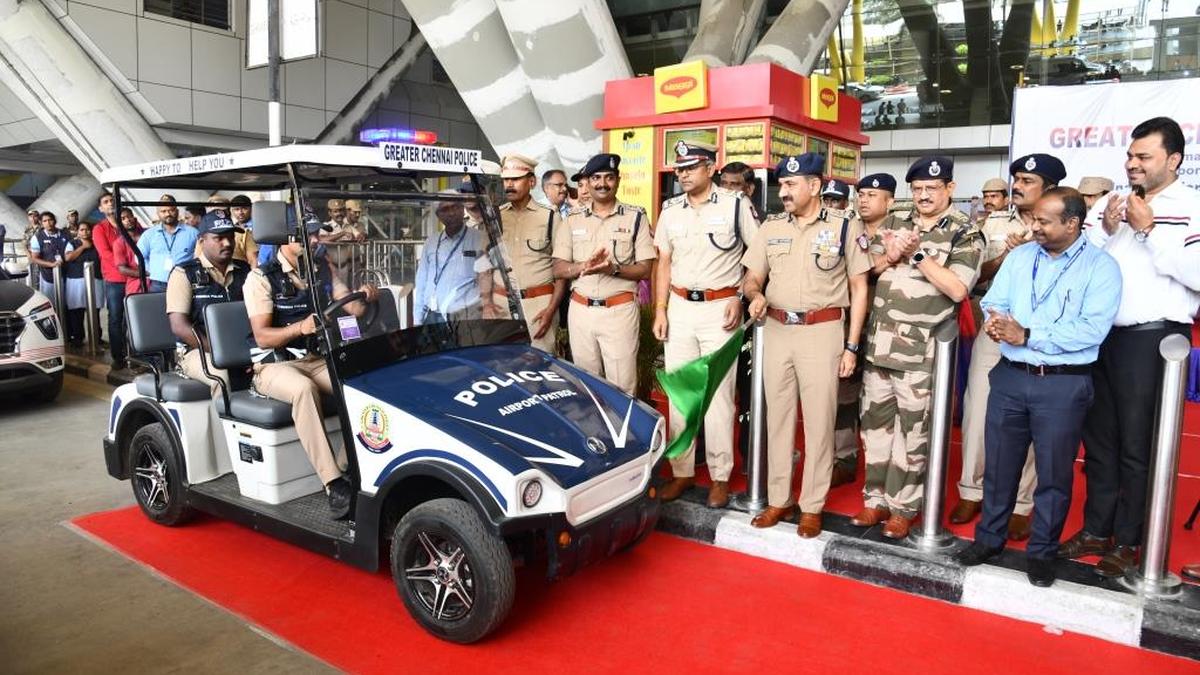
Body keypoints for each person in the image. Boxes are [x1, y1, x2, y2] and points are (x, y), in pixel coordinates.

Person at [954, 187, 1121, 588]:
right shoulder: (1023, 255)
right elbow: (996, 299)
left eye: (1044, 221)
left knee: (1052, 475)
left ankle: (1042, 552)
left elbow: (1091, 330)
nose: (1035, 227)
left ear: (1072, 224)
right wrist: (997, 320)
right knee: (1000, 467)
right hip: (1011, 376)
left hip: (1062, 385)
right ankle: (989, 540)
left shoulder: (1101, 268)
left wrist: (1027, 333)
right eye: (1034, 219)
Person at [1061, 116, 1200, 578]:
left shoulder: (1191, 205)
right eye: (1130, 155)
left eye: (1144, 157)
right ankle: (1097, 529)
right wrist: (1103, 227)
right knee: (1099, 442)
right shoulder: (1116, 202)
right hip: (1103, 337)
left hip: (1154, 339)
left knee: (1139, 446)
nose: (1133, 164)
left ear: (1173, 160)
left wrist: (1148, 230)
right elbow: (1085, 265)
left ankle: (1131, 540)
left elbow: (1196, 275)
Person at [853, 155, 983, 539]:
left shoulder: (965, 232)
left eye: (932, 188)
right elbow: (866, 270)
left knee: (913, 434)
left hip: (921, 354)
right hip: (880, 346)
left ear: (950, 189)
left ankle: (903, 507)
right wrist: (890, 255)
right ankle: (874, 500)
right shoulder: (895, 221)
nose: (923, 195)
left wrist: (917, 255)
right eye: (917, 189)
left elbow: (959, 289)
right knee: (875, 426)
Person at [741, 153, 870, 537]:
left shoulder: (846, 227)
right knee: (777, 419)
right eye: (781, 184)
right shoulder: (771, 227)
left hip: (823, 331)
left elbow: (859, 287)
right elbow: (752, 277)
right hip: (777, 329)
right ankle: (779, 499)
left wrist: (851, 346)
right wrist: (754, 295)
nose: (783, 191)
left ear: (814, 186)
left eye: (791, 184)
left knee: (819, 421)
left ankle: (812, 504)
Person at [952, 154, 1066, 541]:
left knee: (1031, 416)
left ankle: (1020, 502)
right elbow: (974, 274)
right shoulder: (992, 222)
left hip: (1037, 332)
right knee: (977, 407)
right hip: (995, 324)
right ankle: (972, 489)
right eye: (1015, 178)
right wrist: (1006, 256)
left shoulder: (1065, 226)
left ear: (1049, 189)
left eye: (1027, 181)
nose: (1017, 186)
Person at [244, 212, 377, 518]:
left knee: (361, 386)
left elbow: (351, 306)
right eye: (310, 236)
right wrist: (298, 329)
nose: (317, 240)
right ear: (289, 240)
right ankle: (333, 484)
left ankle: (347, 465)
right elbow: (263, 337)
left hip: (315, 358)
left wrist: (366, 294)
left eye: (317, 234)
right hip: (274, 365)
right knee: (303, 390)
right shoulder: (261, 278)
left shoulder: (320, 266)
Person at [654, 141, 758, 509]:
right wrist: (661, 308)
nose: (682, 174)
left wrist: (740, 298)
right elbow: (663, 261)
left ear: (710, 168)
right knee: (681, 394)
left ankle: (719, 476)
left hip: (721, 310)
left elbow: (757, 257)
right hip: (680, 307)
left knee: (717, 398)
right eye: (678, 168)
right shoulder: (670, 210)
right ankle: (681, 472)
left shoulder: (735, 206)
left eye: (690, 167)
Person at [552, 153, 655, 395]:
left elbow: (645, 269)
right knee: (586, 387)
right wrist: (582, 266)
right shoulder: (572, 219)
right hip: (581, 313)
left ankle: (624, 433)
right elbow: (557, 268)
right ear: (587, 182)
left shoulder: (636, 217)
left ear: (618, 180)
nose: (602, 183)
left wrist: (614, 269)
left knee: (623, 387)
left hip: (619, 313)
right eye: (596, 178)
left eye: (609, 177)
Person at [832, 173, 897, 487]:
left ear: (891, 200)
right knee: (843, 395)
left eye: (873, 194)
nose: (864, 200)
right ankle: (843, 458)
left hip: (892, 331)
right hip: (849, 324)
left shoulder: (904, 231)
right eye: (861, 194)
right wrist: (884, 261)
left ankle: (883, 467)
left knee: (880, 402)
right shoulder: (845, 227)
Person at [478, 154, 565, 352]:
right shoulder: (495, 217)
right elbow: (483, 262)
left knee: (539, 370)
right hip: (500, 306)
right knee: (501, 368)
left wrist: (551, 310)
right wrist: (486, 303)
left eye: (516, 179)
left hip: (539, 307)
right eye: (506, 179)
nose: (509, 184)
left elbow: (561, 270)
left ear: (531, 181)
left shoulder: (551, 217)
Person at [166, 211, 251, 396]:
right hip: (198, 351)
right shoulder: (184, 273)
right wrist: (223, 352)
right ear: (201, 240)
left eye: (230, 237)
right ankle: (220, 425)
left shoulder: (245, 271)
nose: (227, 243)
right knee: (220, 377)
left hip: (243, 347)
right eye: (219, 238)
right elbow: (179, 326)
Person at [414, 193, 488, 324]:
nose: (451, 213)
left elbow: (488, 280)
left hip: (465, 317)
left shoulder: (480, 239)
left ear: (462, 209)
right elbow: (421, 281)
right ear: (438, 215)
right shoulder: (431, 241)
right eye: (445, 209)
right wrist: (418, 318)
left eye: (455, 207)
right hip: (432, 315)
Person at [93, 192, 130, 369]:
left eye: (112, 201)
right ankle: (119, 356)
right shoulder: (99, 229)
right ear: (101, 208)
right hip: (115, 279)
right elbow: (105, 254)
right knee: (116, 318)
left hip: (133, 278)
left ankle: (135, 352)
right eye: (106, 202)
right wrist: (126, 261)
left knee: (133, 317)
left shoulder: (129, 222)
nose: (110, 204)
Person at [137, 195, 198, 292]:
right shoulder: (149, 234)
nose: (167, 214)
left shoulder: (193, 233)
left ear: (177, 211)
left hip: (185, 282)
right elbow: (138, 257)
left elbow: (200, 256)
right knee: (157, 307)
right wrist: (151, 269)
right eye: (163, 211)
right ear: (158, 213)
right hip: (158, 284)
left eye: (171, 210)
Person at [62, 221, 103, 346]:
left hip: (95, 280)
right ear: (78, 232)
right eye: (82, 230)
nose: (85, 232)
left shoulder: (97, 243)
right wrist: (83, 247)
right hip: (76, 281)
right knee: (76, 311)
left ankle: (96, 337)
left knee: (94, 310)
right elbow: (68, 258)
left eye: (87, 229)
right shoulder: (72, 243)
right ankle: (78, 337)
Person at [28, 211, 71, 307]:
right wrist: (51, 265)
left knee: (67, 305)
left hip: (67, 275)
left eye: (50, 220)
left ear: (55, 221)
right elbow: (34, 258)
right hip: (49, 277)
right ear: (41, 223)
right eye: (45, 221)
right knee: (52, 305)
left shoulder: (65, 234)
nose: (48, 223)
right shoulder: (37, 237)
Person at [113, 207, 147, 299]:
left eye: (129, 217)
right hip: (134, 285)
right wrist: (146, 274)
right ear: (119, 224)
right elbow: (122, 269)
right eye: (123, 219)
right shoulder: (119, 243)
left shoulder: (148, 234)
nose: (128, 220)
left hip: (156, 282)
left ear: (134, 218)